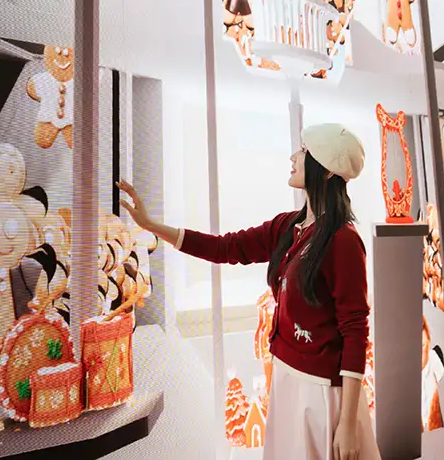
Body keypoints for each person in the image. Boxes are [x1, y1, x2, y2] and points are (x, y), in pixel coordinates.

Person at [117, 123, 380, 460]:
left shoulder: (343, 241)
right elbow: (224, 247)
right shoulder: (287, 226)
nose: (294, 156)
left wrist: (347, 423)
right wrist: (152, 226)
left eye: (304, 151)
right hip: (286, 377)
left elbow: (355, 331)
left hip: (323, 393)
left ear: (327, 170)